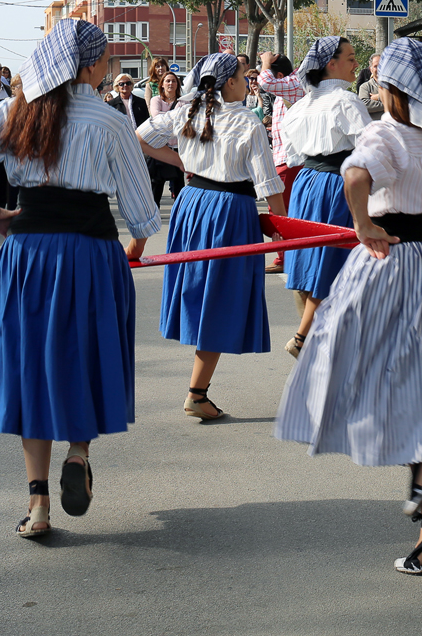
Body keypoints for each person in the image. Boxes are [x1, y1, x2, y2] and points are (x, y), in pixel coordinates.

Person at [275, 37, 422, 576]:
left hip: (389, 259)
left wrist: (362, 224)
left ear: (390, 87)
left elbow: (355, 175)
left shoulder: (384, 132)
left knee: (353, 358)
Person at [0, 18, 160, 538]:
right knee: (86, 355)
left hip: (29, 254)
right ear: (89, 65)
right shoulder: (109, 120)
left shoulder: (18, 110)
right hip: (91, 253)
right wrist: (135, 244)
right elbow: (140, 207)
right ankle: (78, 453)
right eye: (105, 59)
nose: (107, 67)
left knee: (31, 365)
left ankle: (37, 505)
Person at [137, 52, 286, 420]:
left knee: (204, 293)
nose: (247, 81)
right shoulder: (246, 122)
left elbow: (140, 136)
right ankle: (196, 393)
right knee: (220, 297)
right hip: (229, 211)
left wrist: (182, 162)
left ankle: (198, 391)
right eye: (243, 75)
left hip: (192, 204)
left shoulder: (188, 111)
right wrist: (284, 230)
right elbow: (268, 184)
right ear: (230, 83)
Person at [281, 36, 368, 358]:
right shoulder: (346, 101)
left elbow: (291, 155)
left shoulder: (300, 106)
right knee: (333, 260)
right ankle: (306, 337)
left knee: (311, 258)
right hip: (335, 184)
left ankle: (319, 337)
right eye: (351, 57)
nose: (356, 63)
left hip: (306, 183)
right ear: (331, 64)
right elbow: (370, 148)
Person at [265, 54, 301, 276]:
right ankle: (287, 256)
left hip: (289, 161)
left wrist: (265, 63)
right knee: (284, 211)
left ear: (279, 75)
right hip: (283, 160)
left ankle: (284, 257)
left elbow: (265, 82)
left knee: (280, 211)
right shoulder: (283, 93)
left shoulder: (291, 87)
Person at [146, 71, 186, 206]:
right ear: (162, 84)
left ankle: (179, 214)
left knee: (179, 187)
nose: (170, 83)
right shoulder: (156, 100)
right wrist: (176, 116)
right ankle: (154, 213)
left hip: (177, 149)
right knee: (156, 186)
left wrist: (167, 116)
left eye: (173, 81)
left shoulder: (183, 102)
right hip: (161, 148)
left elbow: (184, 121)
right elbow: (156, 118)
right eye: (167, 81)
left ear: (177, 85)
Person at [357, 52, 384, 120]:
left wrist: (378, 97)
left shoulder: (394, 86)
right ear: (371, 69)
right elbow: (364, 105)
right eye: (375, 66)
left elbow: (402, 100)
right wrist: (390, 104)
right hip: (374, 125)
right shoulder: (365, 87)